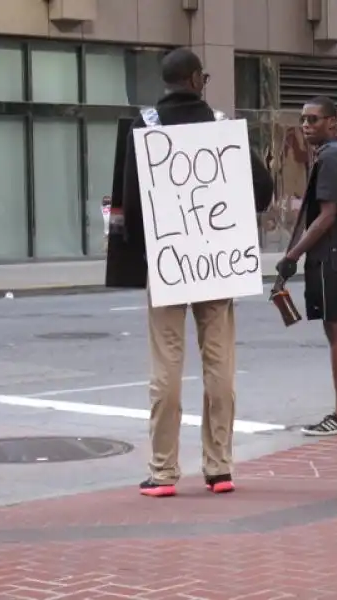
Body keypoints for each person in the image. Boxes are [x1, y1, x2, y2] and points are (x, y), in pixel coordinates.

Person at [118, 47, 274, 497]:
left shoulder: (145, 127)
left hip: (168, 263)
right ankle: (219, 467)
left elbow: (130, 203)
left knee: (165, 365)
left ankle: (164, 472)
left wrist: (144, 252)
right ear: (197, 80)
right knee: (219, 363)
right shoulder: (222, 127)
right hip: (216, 262)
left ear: (166, 82)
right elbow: (262, 189)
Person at [275, 96, 337, 436]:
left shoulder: (331, 157)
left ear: (332, 122)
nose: (306, 125)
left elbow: (326, 216)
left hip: (332, 257)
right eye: (303, 118)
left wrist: (293, 256)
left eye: (314, 119)